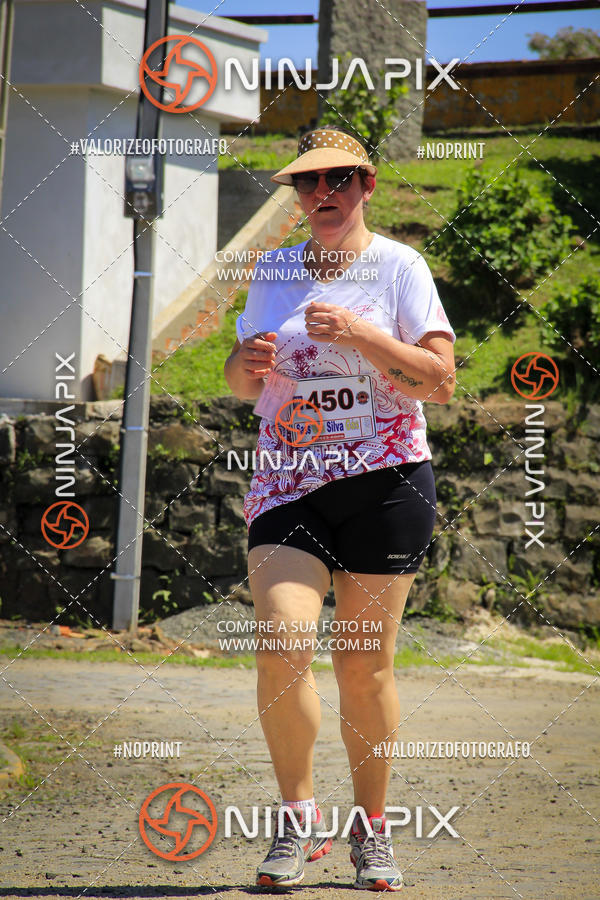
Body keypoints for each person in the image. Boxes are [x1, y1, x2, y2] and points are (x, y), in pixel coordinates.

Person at [224, 125, 456, 891]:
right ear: (297, 195)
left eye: (338, 181)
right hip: (290, 480)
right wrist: (244, 363)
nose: (322, 195)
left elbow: (438, 380)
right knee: (283, 644)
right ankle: (298, 825)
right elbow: (243, 382)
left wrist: (359, 331)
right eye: (307, 183)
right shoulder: (273, 269)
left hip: (386, 482)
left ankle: (373, 832)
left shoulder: (400, 267)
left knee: (364, 668)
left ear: (366, 186)